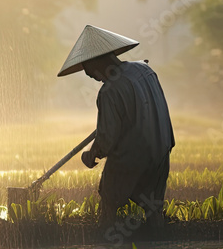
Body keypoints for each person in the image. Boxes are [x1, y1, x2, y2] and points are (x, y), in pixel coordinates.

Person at [57, 25, 175, 229]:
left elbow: (107, 137)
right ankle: (157, 247)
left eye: (86, 67)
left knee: (109, 200)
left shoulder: (110, 90)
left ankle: (106, 248)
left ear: (98, 61)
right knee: (153, 207)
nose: (87, 74)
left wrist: (92, 153)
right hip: (161, 149)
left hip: (133, 154)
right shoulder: (144, 70)